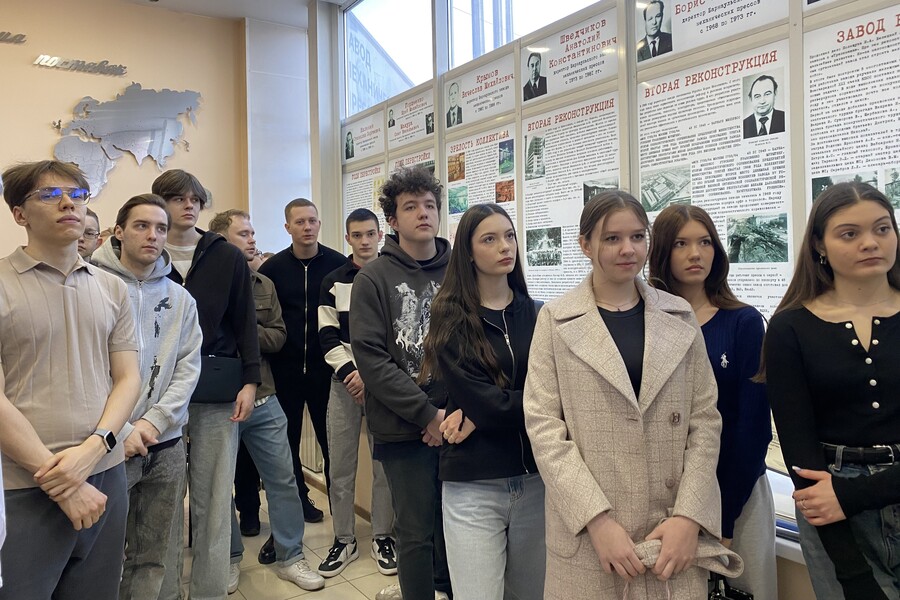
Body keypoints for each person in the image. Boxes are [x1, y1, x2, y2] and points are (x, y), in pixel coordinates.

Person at [523, 190, 722, 599]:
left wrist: (689, 517)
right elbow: (544, 429)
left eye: (637, 236)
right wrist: (597, 521)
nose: (628, 249)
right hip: (591, 539)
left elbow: (705, 421)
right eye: (612, 238)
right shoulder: (555, 320)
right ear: (585, 244)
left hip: (669, 535)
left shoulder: (679, 314)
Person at [0, 160, 141, 599]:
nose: (68, 203)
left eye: (77, 195)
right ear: (19, 214)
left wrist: (94, 449)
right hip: (22, 485)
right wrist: (61, 479)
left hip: (106, 474)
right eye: (49, 195)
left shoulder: (112, 288)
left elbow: (128, 378)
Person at [762, 182, 900, 600]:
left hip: (850, 494)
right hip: (832, 510)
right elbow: (801, 454)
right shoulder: (790, 327)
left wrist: (855, 494)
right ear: (820, 245)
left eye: (882, 229)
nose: (870, 243)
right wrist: (852, 573)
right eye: (849, 233)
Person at [648, 205, 776, 599]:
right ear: (662, 252)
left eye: (705, 242)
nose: (695, 254)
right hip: (668, 496)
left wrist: (725, 516)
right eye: (681, 244)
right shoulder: (648, 323)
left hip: (737, 491)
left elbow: (753, 428)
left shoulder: (743, 322)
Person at [420, 203, 545, 600]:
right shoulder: (450, 317)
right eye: (489, 239)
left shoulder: (539, 315)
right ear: (468, 252)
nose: (504, 246)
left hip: (536, 480)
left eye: (509, 236)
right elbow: (496, 404)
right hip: (473, 483)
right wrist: (484, 410)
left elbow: (560, 395)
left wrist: (482, 411)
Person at [153, 169, 261, 600]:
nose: (188, 205)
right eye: (178, 198)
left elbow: (245, 322)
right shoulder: (145, 250)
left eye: (195, 199)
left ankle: (209, 591)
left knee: (215, 497)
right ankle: (163, 591)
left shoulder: (226, 255)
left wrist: (250, 381)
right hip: (157, 394)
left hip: (216, 387)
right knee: (163, 498)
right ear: (160, 202)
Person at [91, 193, 203, 600]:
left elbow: (188, 367)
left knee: (153, 556)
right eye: (141, 226)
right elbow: (89, 371)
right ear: (119, 232)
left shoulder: (181, 299)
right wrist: (122, 429)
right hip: (107, 446)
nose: (153, 235)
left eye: (160, 228)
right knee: (100, 556)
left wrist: (153, 421)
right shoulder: (92, 287)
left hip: (165, 444)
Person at [209, 209, 326, 593]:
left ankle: (291, 556)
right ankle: (228, 559)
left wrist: (241, 329)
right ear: (222, 240)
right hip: (215, 403)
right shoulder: (202, 283)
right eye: (244, 234)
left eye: (253, 232)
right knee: (217, 488)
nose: (253, 239)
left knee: (284, 479)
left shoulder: (264, 284)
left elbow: (278, 336)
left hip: (262, 395)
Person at [350, 166, 452, 600]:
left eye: (429, 205)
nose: (423, 213)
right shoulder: (372, 278)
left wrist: (448, 414)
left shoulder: (461, 271)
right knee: (415, 533)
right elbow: (372, 360)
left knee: (456, 527)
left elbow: (475, 348)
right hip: (402, 428)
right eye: (410, 207)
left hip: (457, 422)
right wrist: (427, 414)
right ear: (392, 219)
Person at [317, 208, 397, 579]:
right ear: (348, 238)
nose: (364, 241)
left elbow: (397, 335)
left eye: (370, 233)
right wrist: (352, 374)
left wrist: (373, 376)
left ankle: (383, 536)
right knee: (341, 466)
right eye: (357, 235)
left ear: (380, 235)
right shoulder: (333, 281)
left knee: (384, 466)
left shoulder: (392, 275)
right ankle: (344, 539)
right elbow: (327, 335)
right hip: (344, 384)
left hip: (384, 386)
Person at [258, 198, 348, 525]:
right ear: (288, 227)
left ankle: (341, 509)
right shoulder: (272, 270)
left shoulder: (338, 265)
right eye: (300, 222)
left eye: (312, 220)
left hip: (327, 372)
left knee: (332, 444)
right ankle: (299, 501)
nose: (307, 227)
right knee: (286, 445)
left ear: (319, 224)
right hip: (285, 372)